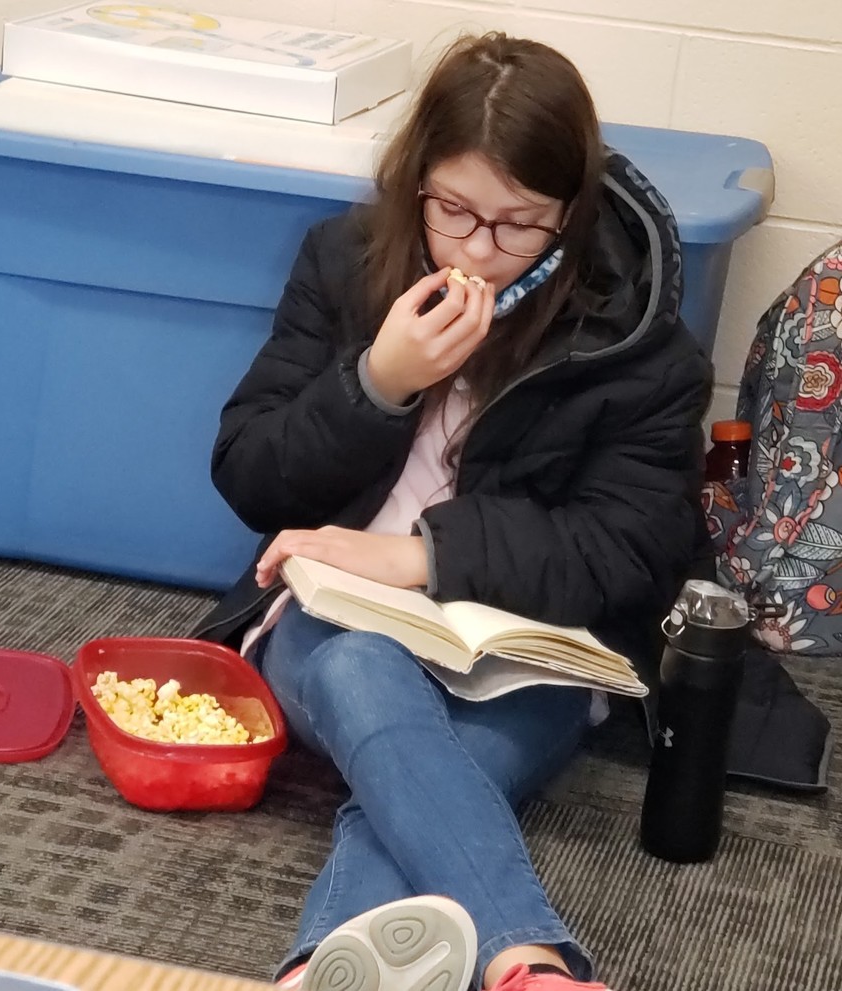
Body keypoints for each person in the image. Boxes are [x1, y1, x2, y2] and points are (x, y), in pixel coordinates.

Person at [192, 31, 713, 991]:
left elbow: (633, 546)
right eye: (455, 211)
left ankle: (318, 970)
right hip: (337, 620)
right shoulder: (346, 265)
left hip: (525, 646)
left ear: (572, 213)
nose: (480, 248)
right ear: (415, 183)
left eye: (521, 224)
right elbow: (249, 474)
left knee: (410, 785)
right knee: (360, 669)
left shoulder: (641, 347)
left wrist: (426, 556)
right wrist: (376, 384)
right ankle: (530, 958)